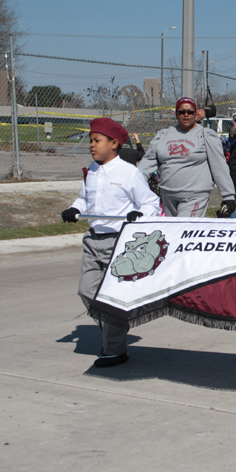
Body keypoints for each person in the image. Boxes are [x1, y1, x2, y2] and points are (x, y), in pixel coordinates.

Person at [61, 118, 161, 368]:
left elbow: (150, 203)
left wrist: (139, 215)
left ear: (114, 144)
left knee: (110, 298)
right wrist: (74, 208)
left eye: (97, 140)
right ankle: (116, 324)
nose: (92, 145)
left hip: (118, 243)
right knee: (86, 291)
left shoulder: (129, 173)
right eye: (91, 141)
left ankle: (114, 349)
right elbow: (84, 199)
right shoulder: (91, 171)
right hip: (92, 240)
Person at [139, 97, 236, 218]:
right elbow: (147, 163)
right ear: (176, 114)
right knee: (172, 229)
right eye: (182, 112)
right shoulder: (164, 135)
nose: (186, 115)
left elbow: (219, 166)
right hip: (168, 194)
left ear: (195, 114)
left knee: (183, 227)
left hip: (195, 196)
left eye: (190, 112)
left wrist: (228, 195)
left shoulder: (205, 135)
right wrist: (132, 184)